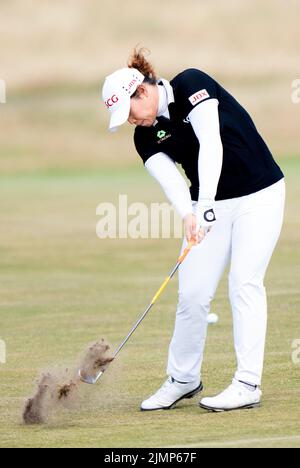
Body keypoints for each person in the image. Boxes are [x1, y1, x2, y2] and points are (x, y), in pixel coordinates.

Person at [101, 48, 285, 412]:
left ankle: (247, 383)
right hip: (207, 204)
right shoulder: (145, 137)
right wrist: (189, 214)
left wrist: (204, 206)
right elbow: (171, 182)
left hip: (259, 194)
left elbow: (211, 145)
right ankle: (184, 378)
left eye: (128, 112)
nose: (129, 121)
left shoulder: (191, 84)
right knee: (193, 294)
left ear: (143, 92)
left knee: (244, 283)